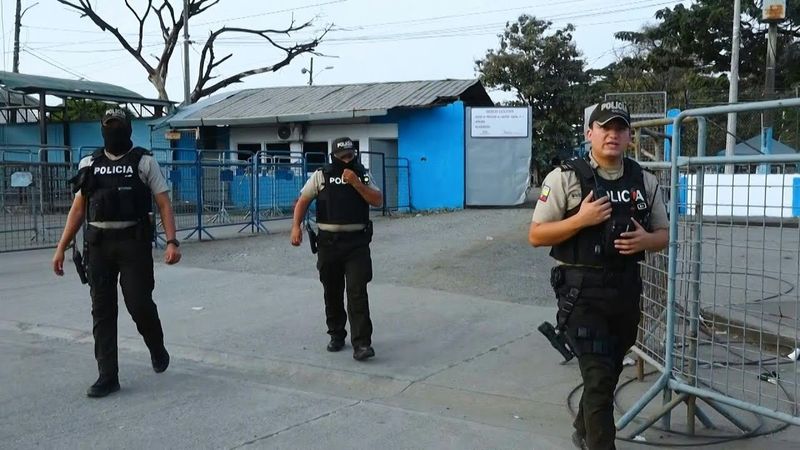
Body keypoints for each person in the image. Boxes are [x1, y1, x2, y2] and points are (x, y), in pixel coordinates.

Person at [529, 101, 669, 450]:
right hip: (582, 296)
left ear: (629, 136)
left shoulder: (645, 181)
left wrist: (647, 240)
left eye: (620, 128)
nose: (612, 134)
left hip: (625, 293)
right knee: (598, 378)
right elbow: (535, 235)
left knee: (606, 377)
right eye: (604, 127)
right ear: (590, 133)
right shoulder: (564, 178)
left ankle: (583, 427)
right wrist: (580, 219)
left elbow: (664, 235)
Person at [52, 107, 182, 398]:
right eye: (109, 126)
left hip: (132, 243)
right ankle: (107, 376)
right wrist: (61, 247)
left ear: (128, 129)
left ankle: (156, 345)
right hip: (98, 245)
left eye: (118, 126)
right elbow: (78, 209)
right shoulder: (90, 162)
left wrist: (172, 241)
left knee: (138, 303)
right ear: (103, 130)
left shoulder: (144, 161)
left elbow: (163, 203)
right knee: (102, 310)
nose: (113, 130)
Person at [290, 137, 383, 361]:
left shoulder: (362, 174)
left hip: (357, 244)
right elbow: (303, 200)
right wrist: (296, 227)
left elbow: (377, 200)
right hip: (329, 243)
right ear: (334, 157)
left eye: (350, 156)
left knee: (357, 292)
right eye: (342, 158)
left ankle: (361, 344)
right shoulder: (321, 175)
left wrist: (356, 183)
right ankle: (336, 334)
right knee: (332, 291)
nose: (347, 161)